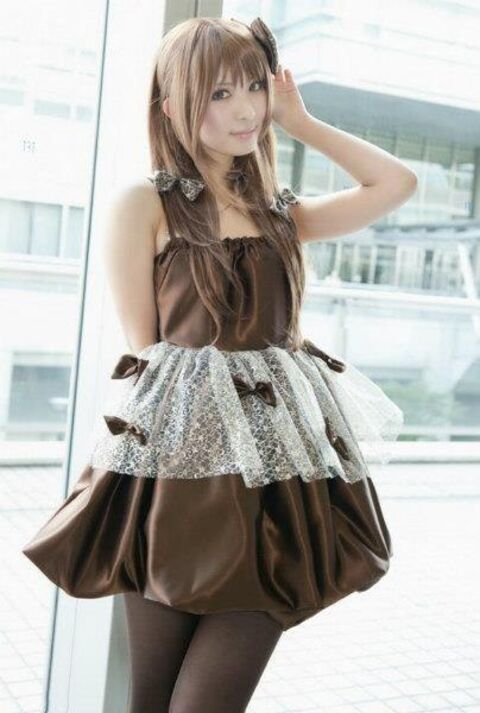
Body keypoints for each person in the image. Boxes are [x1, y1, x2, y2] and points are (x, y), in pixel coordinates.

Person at [21, 16, 417, 713]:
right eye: (219, 93)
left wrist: (301, 122)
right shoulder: (144, 204)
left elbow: (396, 182)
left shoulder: (280, 212)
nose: (245, 110)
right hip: (177, 483)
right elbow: (151, 354)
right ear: (172, 105)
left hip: (275, 483)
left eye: (254, 87)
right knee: (150, 699)